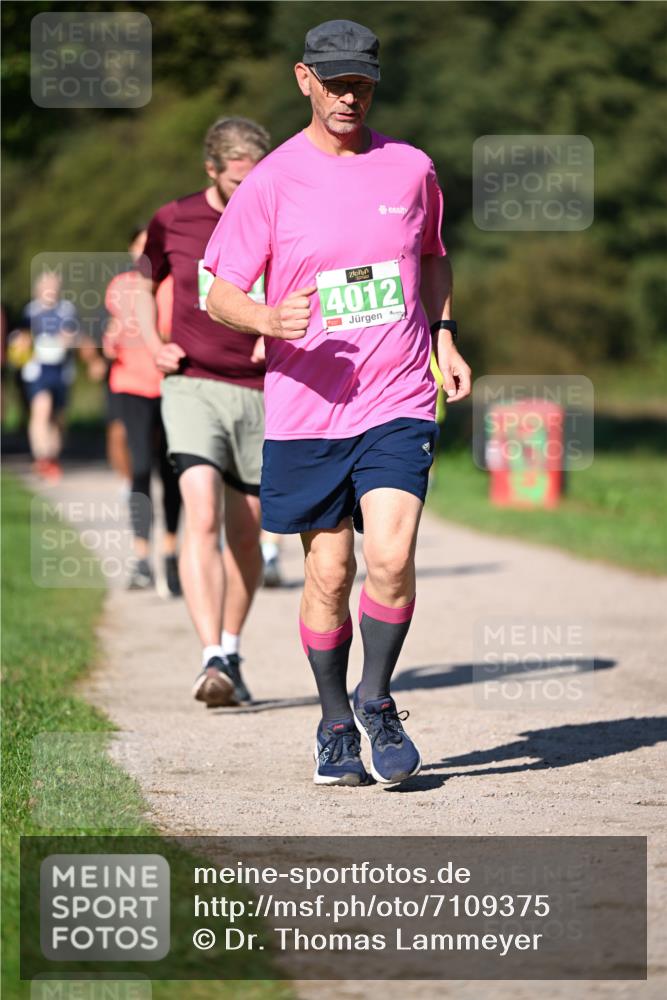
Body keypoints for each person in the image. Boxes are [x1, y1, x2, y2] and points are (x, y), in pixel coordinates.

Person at [204, 20, 472, 785]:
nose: (349, 95)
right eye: (335, 82)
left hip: (396, 397)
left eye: (361, 82)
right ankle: (331, 724)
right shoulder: (273, 180)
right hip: (307, 407)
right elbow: (219, 288)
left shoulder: (410, 168)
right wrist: (262, 318)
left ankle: (377, 700)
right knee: (329, 574)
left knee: (390, 557)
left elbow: (431, 260)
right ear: (304, 79)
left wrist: (443, 338)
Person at [135, 117, 272, 706]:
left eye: (256, 179)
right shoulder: (175, 218)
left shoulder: (280, 210)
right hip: (191, 383)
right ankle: (210, 654)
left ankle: (233, 650)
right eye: (238, 181)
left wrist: (281, 332)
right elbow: (138, 282)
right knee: (201, 513)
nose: (249, 192)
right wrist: (151, 340)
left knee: (248, 532)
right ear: (212, 172)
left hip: (266, 391)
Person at [103, 228, 182, 595]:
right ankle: (141, 560)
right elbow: (112, 334)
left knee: (170, 472)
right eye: (138, 247)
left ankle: (170, 553)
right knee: (139, 468)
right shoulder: (119, 285)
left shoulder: (171, 285)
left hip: (168, 386)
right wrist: (111, 338)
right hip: (130, 385)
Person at [17, 271, 104, 480]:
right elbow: (20, 340)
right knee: (41, 411)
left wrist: (88, 356)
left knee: (58, 418)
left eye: (54, 286)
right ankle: (42, 458)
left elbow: (78, 336)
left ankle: (52, 458)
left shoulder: (67, 310)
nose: (50, 290)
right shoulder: (30, 312)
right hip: (38, 370)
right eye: (46, 286)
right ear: (37, 289)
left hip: (62, 370)